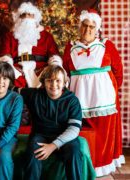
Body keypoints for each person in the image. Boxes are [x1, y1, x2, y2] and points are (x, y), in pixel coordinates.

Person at [0, 65, 83, 180]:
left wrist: (53, 145)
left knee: (74, 152)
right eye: (49, 80)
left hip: (64, 135)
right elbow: (8, 87)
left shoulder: (72, 101)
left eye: (58, 81)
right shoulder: (34, 95)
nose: (54, 84)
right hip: (40, 135)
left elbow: (74, 129)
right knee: (34, 155)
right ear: (43, 82)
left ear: (65, 82)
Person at [63, 9, 124, 177]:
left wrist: (111, 90)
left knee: (104, 135)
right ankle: (85, 165)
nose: (88, 29)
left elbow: (118, 71)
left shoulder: (107, 45)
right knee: (82, 133)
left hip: (104, 98)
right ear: (79, 26)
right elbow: (65, 73)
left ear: (97, 28)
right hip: (79, 98)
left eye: (92, 26)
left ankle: (102, 166)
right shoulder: (71, 47)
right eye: (85, 25)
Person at [0, 2, 62, 88]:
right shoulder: (10, 36)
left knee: (50, 78)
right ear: (18, 18)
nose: (26, 17)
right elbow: (4, 56)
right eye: (23, 15)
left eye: (30, 14)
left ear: (35, 17)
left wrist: (55, 66)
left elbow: (54, 56)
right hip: (17, 72)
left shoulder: (46, 36)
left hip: (41, 72)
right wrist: (7, 68)